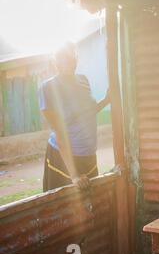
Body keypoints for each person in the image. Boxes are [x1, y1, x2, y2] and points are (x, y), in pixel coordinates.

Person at [38, 42, 110, 191]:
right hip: (64, 159)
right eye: (63, 58)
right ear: (55, 61)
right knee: (64, 208)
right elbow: (60, 133)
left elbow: (87, 113)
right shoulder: (48, 88)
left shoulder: (83, 80)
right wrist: (74, 175)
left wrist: (106, 100)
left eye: (72, 57)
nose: (69, 61)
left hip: (89, 154)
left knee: (93, 205)